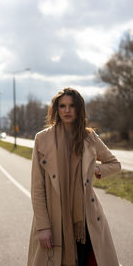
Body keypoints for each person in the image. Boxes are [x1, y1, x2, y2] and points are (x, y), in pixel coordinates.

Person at [27, 87, 121, 266]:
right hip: (54, 218)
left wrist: (96, 170)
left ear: (79, 109)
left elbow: (115, 164)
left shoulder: (89, 137)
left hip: (85, 219)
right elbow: (37, 188)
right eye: (62, 106)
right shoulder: (42, 139)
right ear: (57, 109)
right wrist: (43, 226)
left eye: (72, 106)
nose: (67, 110)